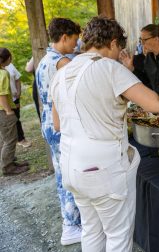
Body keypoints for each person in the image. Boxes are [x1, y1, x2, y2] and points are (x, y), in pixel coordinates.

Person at [51, 16, 159, 252]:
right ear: (112, 43)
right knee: (118, 236)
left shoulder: (61, 72)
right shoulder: (108, 67)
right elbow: (155, 105)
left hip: (70, 165)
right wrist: (126, 71)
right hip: (103, 170)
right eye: (119, 48)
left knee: (91, 230)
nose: (118, 53)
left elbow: (58, 124)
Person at [36, 18, 82, 246]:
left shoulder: (44, 60)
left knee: (62, 175)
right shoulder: (62, 63)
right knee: (70, 175)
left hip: (47, 121)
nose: (76, 44)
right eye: (74, 39)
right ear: (64, 37)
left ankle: (70, 221)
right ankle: (71, 225)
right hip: (60, 122)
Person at [0, 48, 29, 175]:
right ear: (4, 59)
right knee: (10, 139)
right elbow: (2, 94)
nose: (11, 59)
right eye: (10, 57)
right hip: (3, 111)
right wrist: (9, 111)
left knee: (6, 137)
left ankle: (9, 161)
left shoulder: (3, 71)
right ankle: (8, 167)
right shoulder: (3, 74)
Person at [6, 61, 31, 148]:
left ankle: (21, 139)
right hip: (3, 101)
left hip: (14, 98)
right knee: (6, 124)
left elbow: (17, 79)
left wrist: (19, 91)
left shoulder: (9, 65)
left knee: (16, 119)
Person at [25, 57, 41, 121]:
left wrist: (28, 63)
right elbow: (28, 69)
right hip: (39, 85)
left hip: (39, 84)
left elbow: (28, 68)